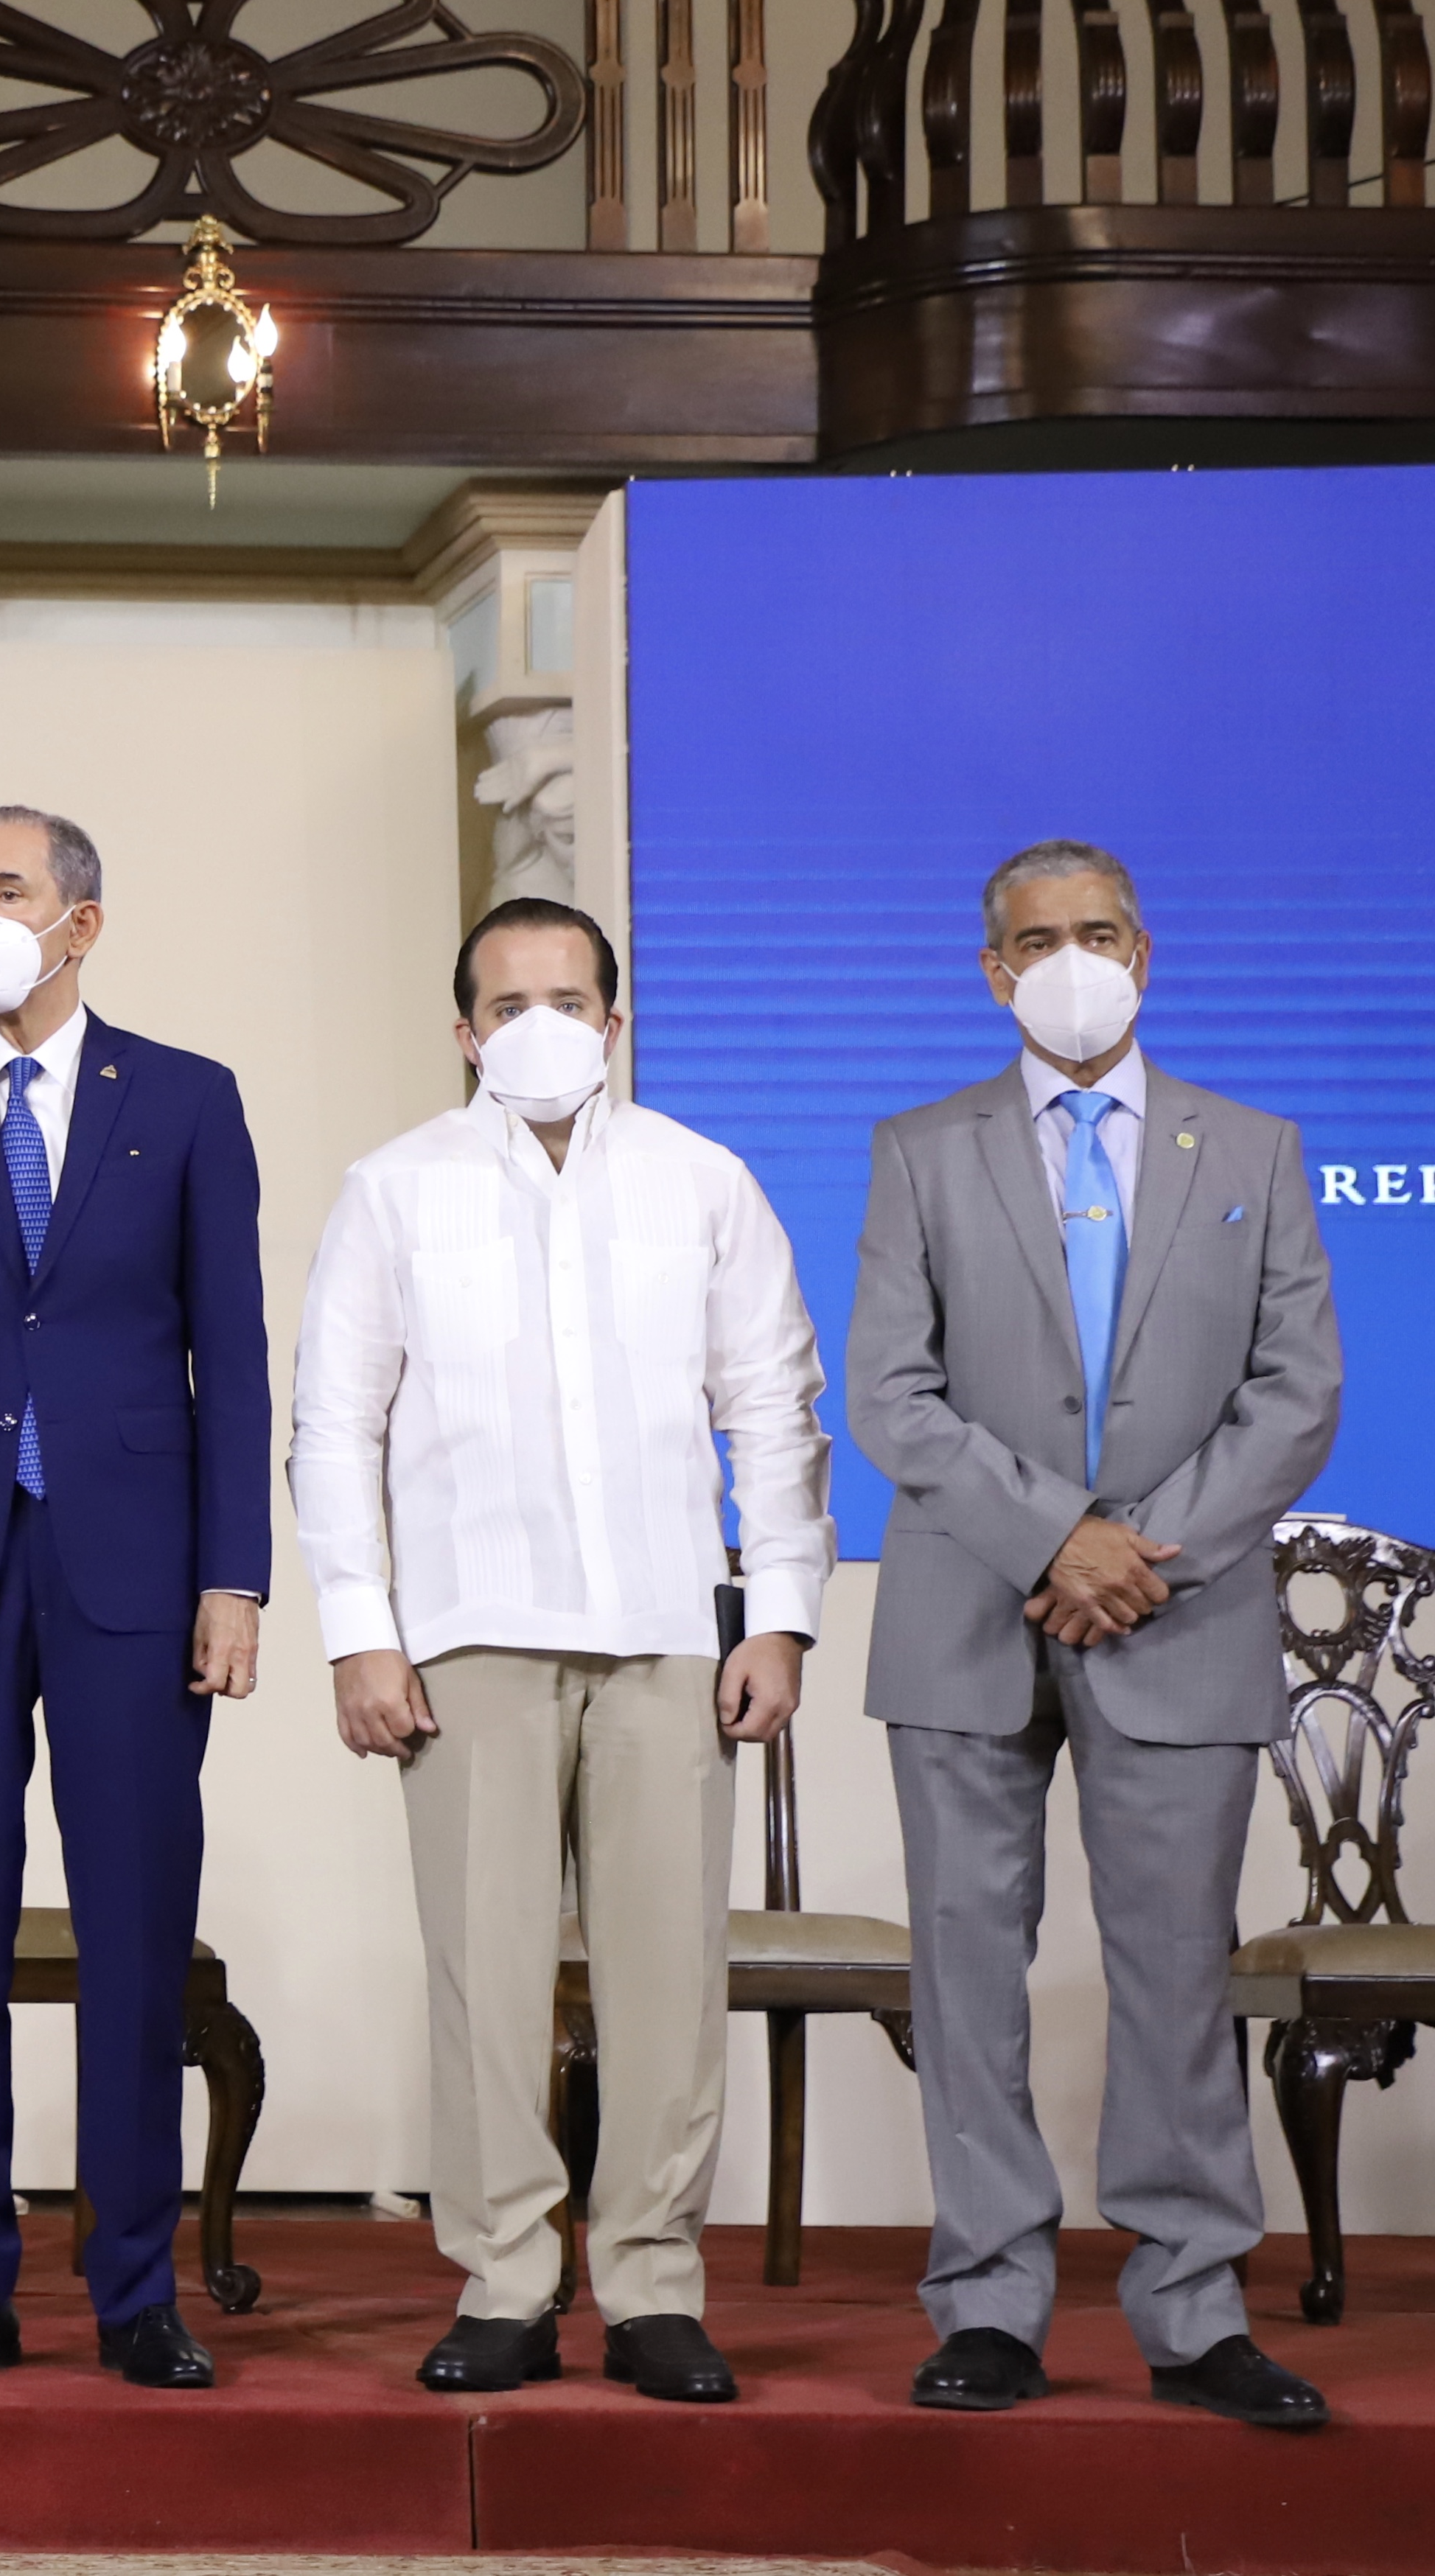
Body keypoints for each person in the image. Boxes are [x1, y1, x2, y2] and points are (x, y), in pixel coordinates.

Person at [290, 898, 830, 2406]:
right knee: (485, 1979)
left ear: (613, 1020)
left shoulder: (702, 1181)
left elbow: (771, 1405)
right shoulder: (393, 1189)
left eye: (567, 1000)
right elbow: (333, 1425)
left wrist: (777, 1611)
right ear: (465, 1031)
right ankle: (506, 2281)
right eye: (506, 1003)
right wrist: (359, 1633)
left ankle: (652, 2285)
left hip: (665, 1633)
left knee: (669, 1978)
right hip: (467, 1637)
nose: (539, 1025)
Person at [853, 838, 1340, 2431]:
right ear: (992, 970)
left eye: (1101, 932)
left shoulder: (1252, 1147)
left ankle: (1193, 2312)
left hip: (1178, 1613)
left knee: (1177, 1973)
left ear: (1145, 950)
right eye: (1038, 938)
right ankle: (988, 2302)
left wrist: (1138, 1555)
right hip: (964, 1612)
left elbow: (1296, 1391)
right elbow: (891, 1395)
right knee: (965, 1969)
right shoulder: (918, 1150)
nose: (1074, 960)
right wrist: (1053, 1537)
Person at [0, 806, 269, 2391]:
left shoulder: (189, 1099)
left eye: (2, 890)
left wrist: (233, 1576)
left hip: (135, 1567)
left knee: (135, 1930)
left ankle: (135, 2288)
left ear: (81, 921)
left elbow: (232, 1357)